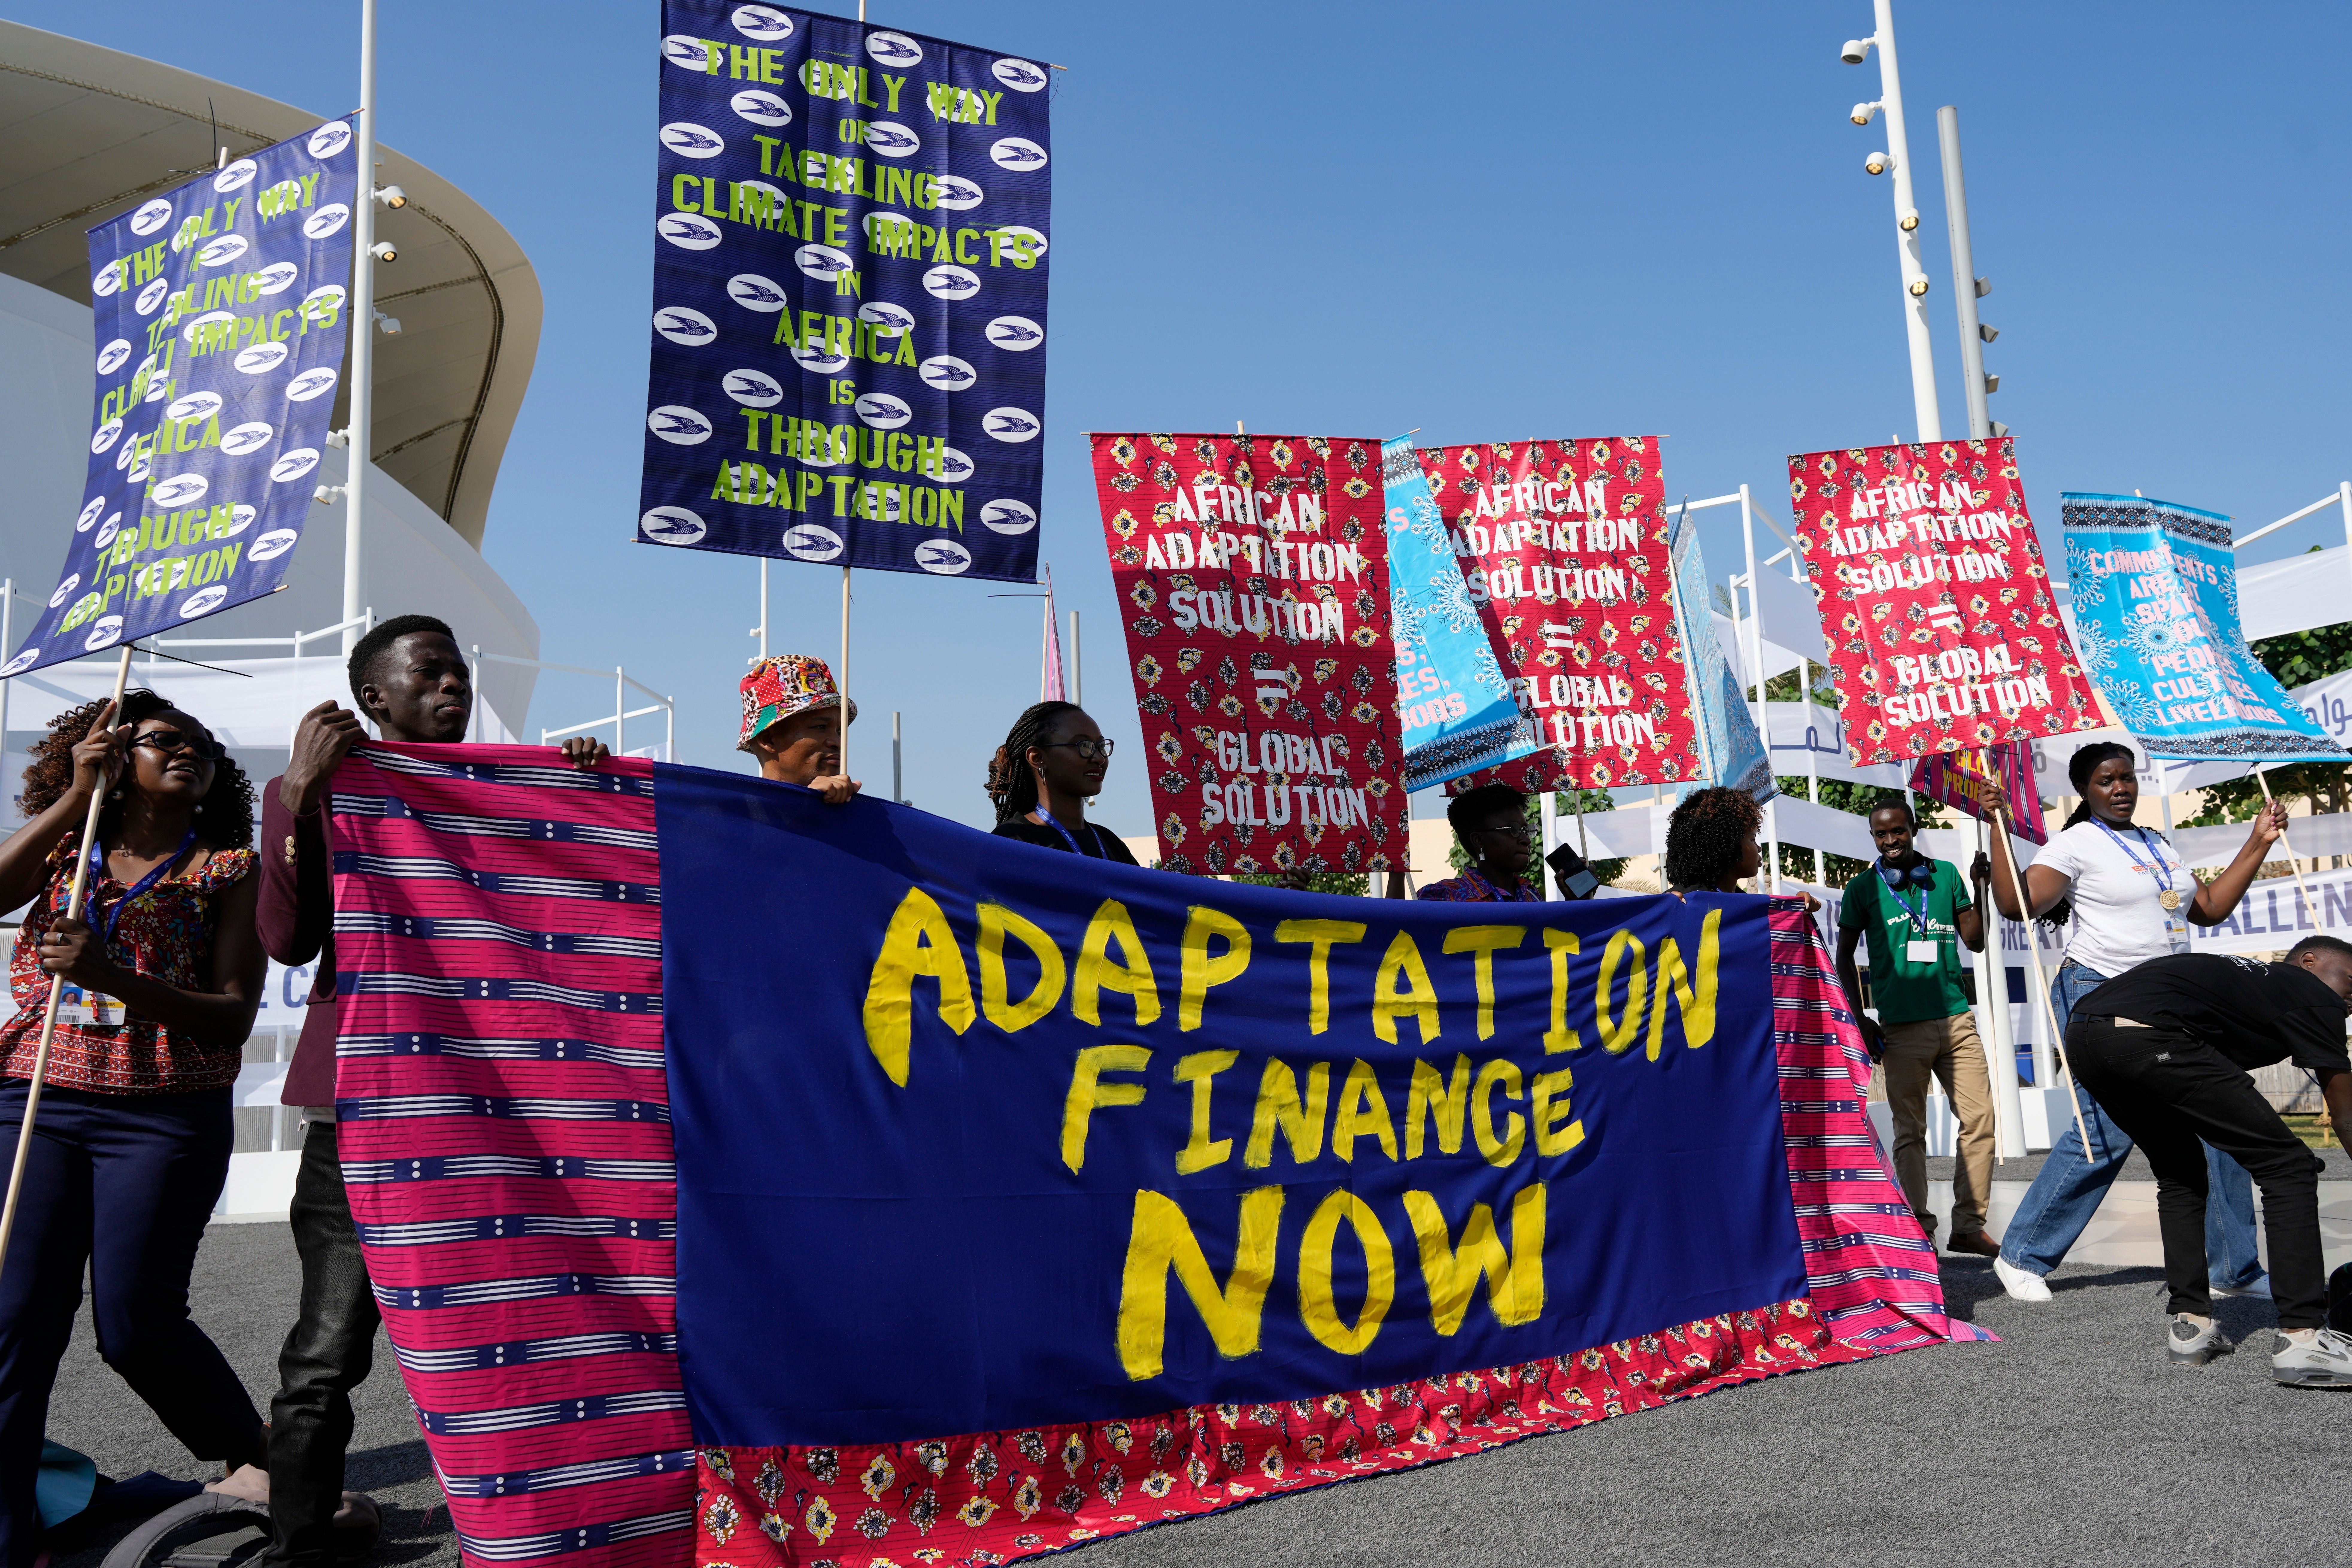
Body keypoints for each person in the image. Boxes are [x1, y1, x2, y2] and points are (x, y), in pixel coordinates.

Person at [258, 616, 606, 1568]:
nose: (453, 684)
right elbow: (288, 943)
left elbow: (573, 908)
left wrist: (587, 788)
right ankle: (298, 1544)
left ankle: (524, 1534)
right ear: (373, 698)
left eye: (460, 670)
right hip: (364, 1108)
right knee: (328, 1349)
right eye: (431, 672)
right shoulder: (320, 793)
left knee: (518, 1327)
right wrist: (300, 797)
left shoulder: (510, 787)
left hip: (499, 1110)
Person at [0, 691, 268, 1567]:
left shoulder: (229, 868)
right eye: (163, 740)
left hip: (162, 1113)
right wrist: (75, 799)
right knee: (16, 1321)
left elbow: (231, 1017)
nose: (187, 750)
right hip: (36, 1101)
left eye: (199, 744)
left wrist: (111, 973)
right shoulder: (64, 851)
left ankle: (267, 1460)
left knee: (135, 1323)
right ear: (116, 754)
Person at [1980, 743, 2287, 1305]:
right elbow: (2016, 902)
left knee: (2219, 1117)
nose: (2120, 787)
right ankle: (2021, 1253)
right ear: (2085, 790)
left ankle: (2234, 1267)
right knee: (2105, 1127)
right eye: (2105, 780)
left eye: (2126, 777)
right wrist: (1996, 829)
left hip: (2171, 1001)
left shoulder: (2157, 844)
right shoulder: (2075, 843)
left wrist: (2258, 841)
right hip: (2098, 992)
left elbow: (2210, 906)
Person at [2064, 939, 2352, 1383]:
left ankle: (2191, 1325)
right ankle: (2304, 1338)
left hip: (2086, 1032)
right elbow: (2345, 1111)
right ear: (2308, 961)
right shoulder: (2311, 991)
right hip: (2152, 1033)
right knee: (2288, 1166)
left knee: (2179, 1170)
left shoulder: (2252, 984)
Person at [1836, 797, 1999, 1258]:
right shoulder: (1863, 888)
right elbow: (1842, 957)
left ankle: (1968, 1224)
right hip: (1900, 1029)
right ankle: (1918, 1232)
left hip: (1955, 1018)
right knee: (1911, 1132)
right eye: (1880, 834)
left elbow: (1977, 941)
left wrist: (1980, 887)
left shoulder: (1945, 875)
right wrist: (1859, 1018)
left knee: (1980, 1119)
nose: (1890, 841)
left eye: (1898, 832)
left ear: (1913, 828)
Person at [987, 702, 1138, 863]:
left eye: (1101, 746)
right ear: (1037, 758)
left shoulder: (1110, 842)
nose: (1099, 758)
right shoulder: (1012, 842)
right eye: (1085, 746)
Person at [739, 654, 859, 802]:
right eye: (820, 727)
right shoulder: (734, 816)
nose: (838, 742)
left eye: (840, 731)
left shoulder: (870, 819)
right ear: (768, 739)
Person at [1417, 785, 1541, 902]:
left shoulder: (1532, 895)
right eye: (1513, 830)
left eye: (1526, 830)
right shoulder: (1446, 897)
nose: (1527, 840)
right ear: (1479, 840)